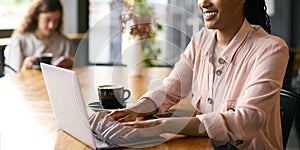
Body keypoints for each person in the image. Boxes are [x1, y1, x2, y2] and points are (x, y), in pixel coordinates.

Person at [89, 0, 289, 149]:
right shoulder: (201, 40)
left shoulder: (271, 49)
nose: (203, 3)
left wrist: (160, 126)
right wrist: (133, 110)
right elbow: (170, 89)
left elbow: (246, 120)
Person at [4, 0, 74, 74]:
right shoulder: (19, 41)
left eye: (56, 21)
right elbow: (10, 77)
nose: (51, 26)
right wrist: (23, 69)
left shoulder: (64, 43)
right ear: (37, 16)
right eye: (47, 20)